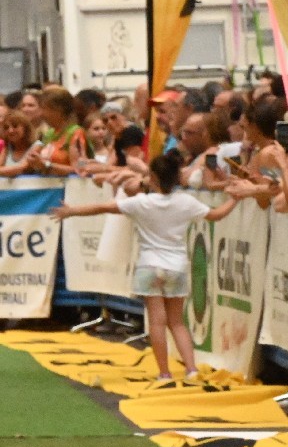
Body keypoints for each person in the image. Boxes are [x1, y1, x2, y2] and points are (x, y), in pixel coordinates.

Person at [50, 152, 241, 381]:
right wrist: (235, 199)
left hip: (149, 267)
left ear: (153, 177)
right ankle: (191, 369)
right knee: (177, 322)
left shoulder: (141, 203)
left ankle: (164, 372)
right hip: (177, 267)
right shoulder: (186, 202)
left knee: (157, 323)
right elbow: (216, 215)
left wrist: (71, 211)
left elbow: (103, 207)